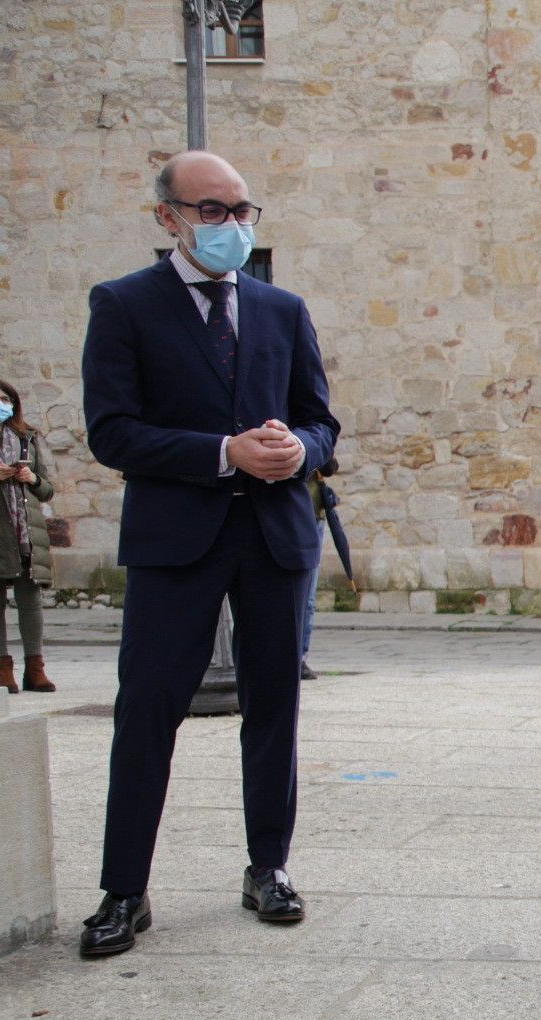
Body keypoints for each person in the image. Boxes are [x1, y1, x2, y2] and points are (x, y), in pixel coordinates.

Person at [77, 151, 341, 958]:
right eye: (213, 211)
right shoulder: (123, 305)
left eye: (242, 210)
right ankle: (124, 890)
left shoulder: (282, 309)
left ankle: (269, 867)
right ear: (169, 217)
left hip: (272, 538)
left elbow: (323, 421)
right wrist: (223, 452)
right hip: (175, 541)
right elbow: (112, 432)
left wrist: (297, 447)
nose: (232, 226)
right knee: (148, 708)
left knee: (274, 709)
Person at [0, 379, 56, 694]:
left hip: (26, 531)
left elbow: (47, 490)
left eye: (5, 398)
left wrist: (31, 477)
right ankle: (2, 670)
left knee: (30, 602)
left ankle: (36, 669)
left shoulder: (25, 438)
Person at [299, 458, 339, 681]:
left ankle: (300, 657)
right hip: (295, 515)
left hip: (315, 515)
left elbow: (330, 466)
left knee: (310, 599)